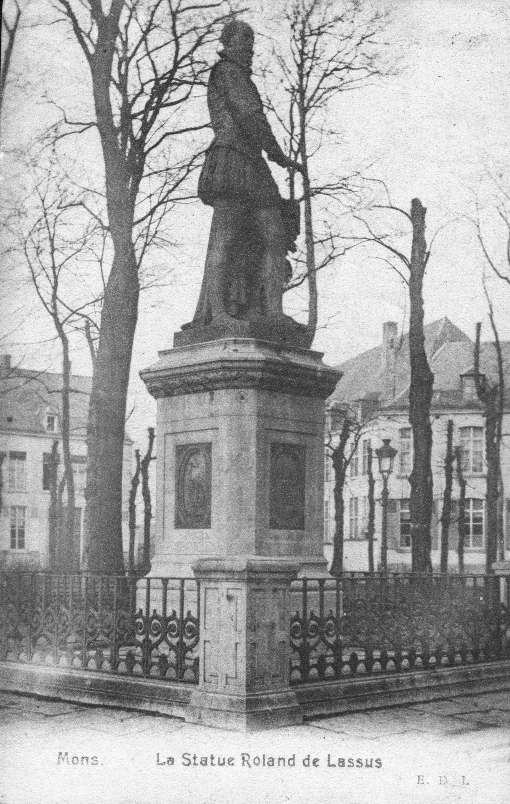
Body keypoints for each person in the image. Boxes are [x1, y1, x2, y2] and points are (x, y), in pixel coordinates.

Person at [193, 19, 302, 327]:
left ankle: (273, 313)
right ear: (228, 44)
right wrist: (278, 154)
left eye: (252, 43)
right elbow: (249, 115)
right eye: (245, 42)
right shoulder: (227, 72)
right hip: (232, 158)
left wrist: (274, 155)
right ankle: (219, 314)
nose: (251, 49)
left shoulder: (239, 75)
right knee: (226, 238)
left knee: (275, 235)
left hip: (252, 162)